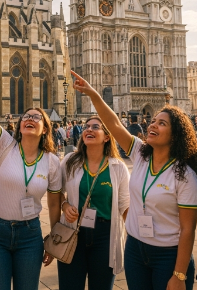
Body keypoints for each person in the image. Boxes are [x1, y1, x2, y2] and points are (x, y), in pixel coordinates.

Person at [72, 71, 197, 290]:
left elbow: (188, 229)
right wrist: (94, 94)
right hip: (135, 249)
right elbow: (113, 124)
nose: (152, 125)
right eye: (153, 121)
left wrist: (179, 275)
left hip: (167, 253)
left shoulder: (184, 175)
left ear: (176, 134)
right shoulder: (141, 154)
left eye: (161, 124)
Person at [0, 49, 62, 290]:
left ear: (46, 129)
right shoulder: (6, 145)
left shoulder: (51, 161)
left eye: (36, 117)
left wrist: (53, 239)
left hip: (30, 235)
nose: (29, 118)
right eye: (26, 116)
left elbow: (54, 204)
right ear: (19, 126)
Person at [58, 114, 130, 289]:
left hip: (105, 235)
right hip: (73, 233)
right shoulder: (70, 161)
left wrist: (137, 241)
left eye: (95, 127)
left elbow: (125, 206)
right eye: (86, 127)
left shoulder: (118, 167)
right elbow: (57, 192)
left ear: (107, 137)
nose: (89, 129)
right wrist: (65, 205)